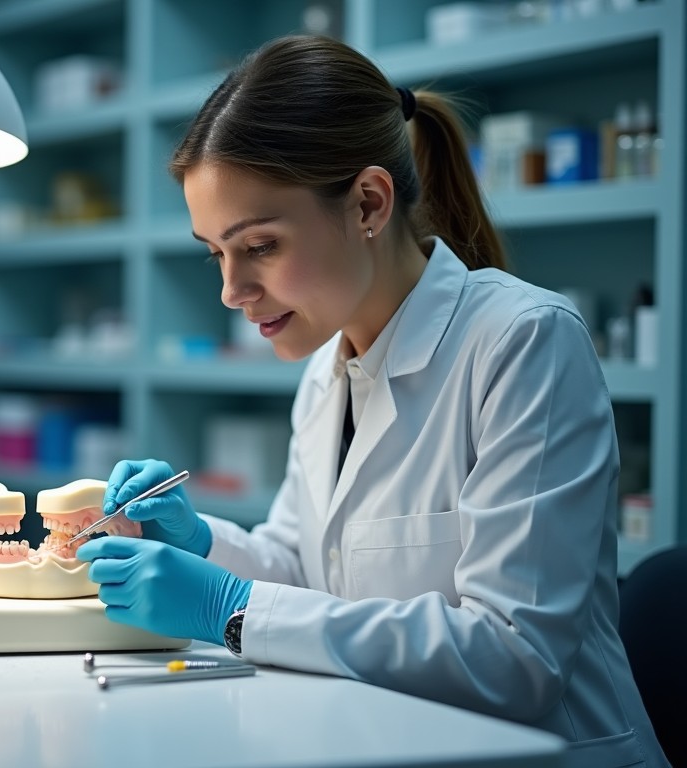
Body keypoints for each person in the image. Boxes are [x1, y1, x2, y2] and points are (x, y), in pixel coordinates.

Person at [75, 34, 668, 767]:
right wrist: (202, 543)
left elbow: (517, 660)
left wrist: (228, 606)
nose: (231, 291)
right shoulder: (329, 366)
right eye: (215, 254)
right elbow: (305, 568)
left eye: (258, 246)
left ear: (367, 203)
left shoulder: (524, 342)